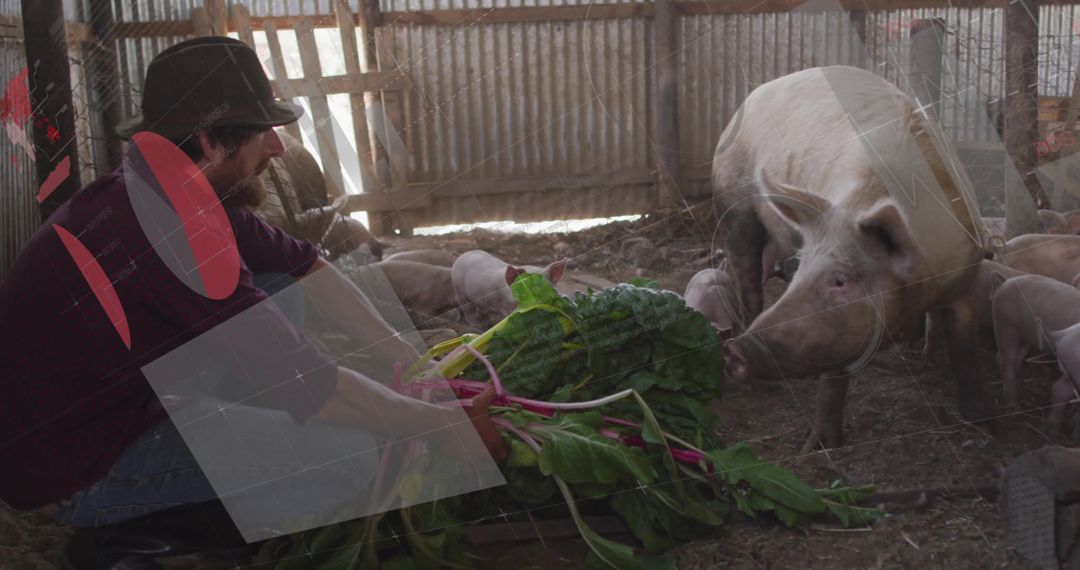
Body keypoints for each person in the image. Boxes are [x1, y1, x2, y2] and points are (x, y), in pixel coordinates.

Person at [0, 37, 507, 568]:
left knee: (281, 292)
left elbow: (307, 266)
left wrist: (409, 364)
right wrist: (441, 427)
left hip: (116, 407)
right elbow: (316, 386)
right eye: (263, 132)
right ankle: (126, 541)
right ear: (211, 141)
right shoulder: (168, 229)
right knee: (352, 459)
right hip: (79, 469)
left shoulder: (169, 184)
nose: (278, 148)